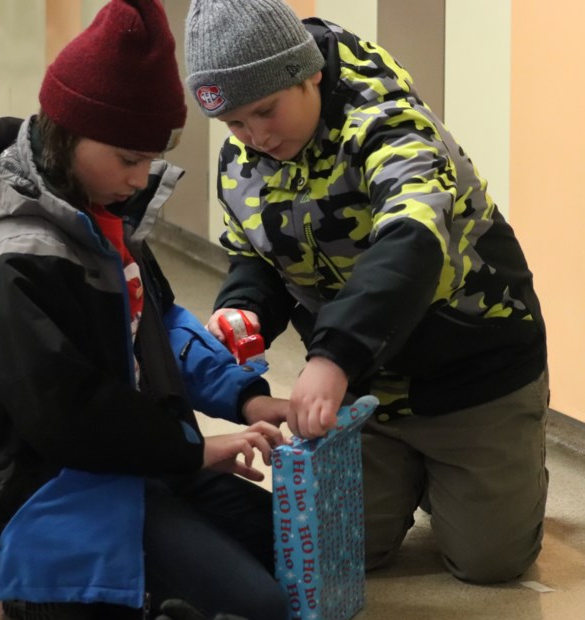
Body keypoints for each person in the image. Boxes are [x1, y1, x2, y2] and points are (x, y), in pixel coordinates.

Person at [0, 1, 290, 620]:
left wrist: (247, 398)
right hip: (37, 494)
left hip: (130, 463)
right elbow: (69, 413)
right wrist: (192, 451)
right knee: (258, 614)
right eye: (127, 158)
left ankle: (143, 582)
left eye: (149, 158)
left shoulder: (100, 212)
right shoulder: (16, 259)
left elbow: (161, 324)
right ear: (67, 133)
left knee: (291, 549)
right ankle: (63, 599)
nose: (140, 178)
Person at [183, 0, 550, 584]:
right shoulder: (244, 155)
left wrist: (331, 356)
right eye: (234, 124)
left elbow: (410, 243)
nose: (255, 136)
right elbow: (254, 254)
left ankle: (474, 468)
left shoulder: (390, 123)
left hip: (472, 371)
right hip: (366, 387)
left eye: (265, 111)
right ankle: (416, 471)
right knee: (347, 553)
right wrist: (242, 309)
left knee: (490, 563)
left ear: (309, 75)